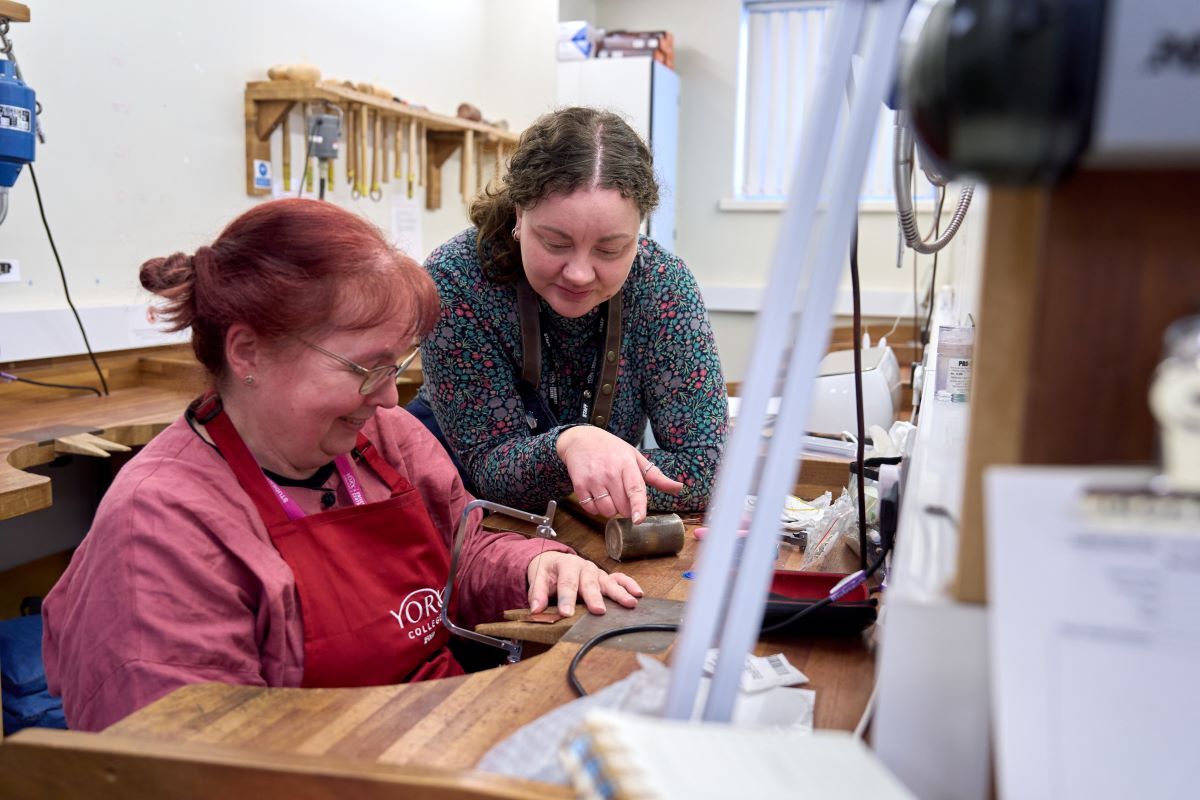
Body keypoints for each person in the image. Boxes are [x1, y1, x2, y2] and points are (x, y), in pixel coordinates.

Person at [41, 199, 642, 732]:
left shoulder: (386, 439)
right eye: (365, 368)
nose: (387, 397)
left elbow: (465, 549)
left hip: (438, 736)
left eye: (396, 365)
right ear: (248, 352)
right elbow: (191, 763)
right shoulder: (161, 526)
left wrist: (538, 563)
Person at [410, 107, 728, 525]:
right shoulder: (457, 281)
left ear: (639, 233)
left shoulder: (662, 286)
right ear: (520, 215)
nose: (579, 273)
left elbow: (707, 468)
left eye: (610, 250)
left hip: (584, 531)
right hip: (458, 519)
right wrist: (571, 447)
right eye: (556, 243)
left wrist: (593, 470)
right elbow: (488, 469)